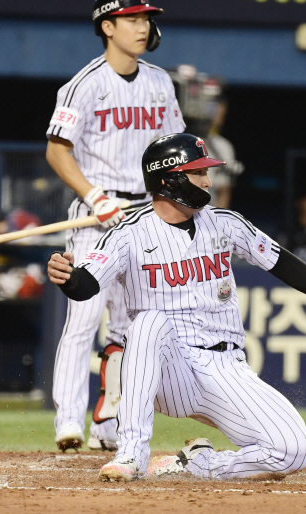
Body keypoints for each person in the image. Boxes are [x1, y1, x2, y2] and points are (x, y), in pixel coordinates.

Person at [46, 133, 306, 481]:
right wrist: (67, 276)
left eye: (207, 171)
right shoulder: (129, 232)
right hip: (169, 370)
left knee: (294, 451)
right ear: (168, 179)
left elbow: (280, 261)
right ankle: (131, 453)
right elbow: (85, 285)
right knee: (149, 322)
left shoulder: (224, 222)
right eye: (197, 172)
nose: (208, 180)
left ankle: (198, 464)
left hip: (226, 367)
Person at [45, 0, 185, 452]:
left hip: (145, 216)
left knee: (130, 326)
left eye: (146, 20)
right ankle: (69, 420)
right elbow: (57, 151)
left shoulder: (161, 83)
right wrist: (94, 196)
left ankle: (110, 422)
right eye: (132, 20)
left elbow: (175, 148)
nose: (143, 28)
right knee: (83, 316)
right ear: (108, 27)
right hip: (97, 214)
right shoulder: (83, 85)